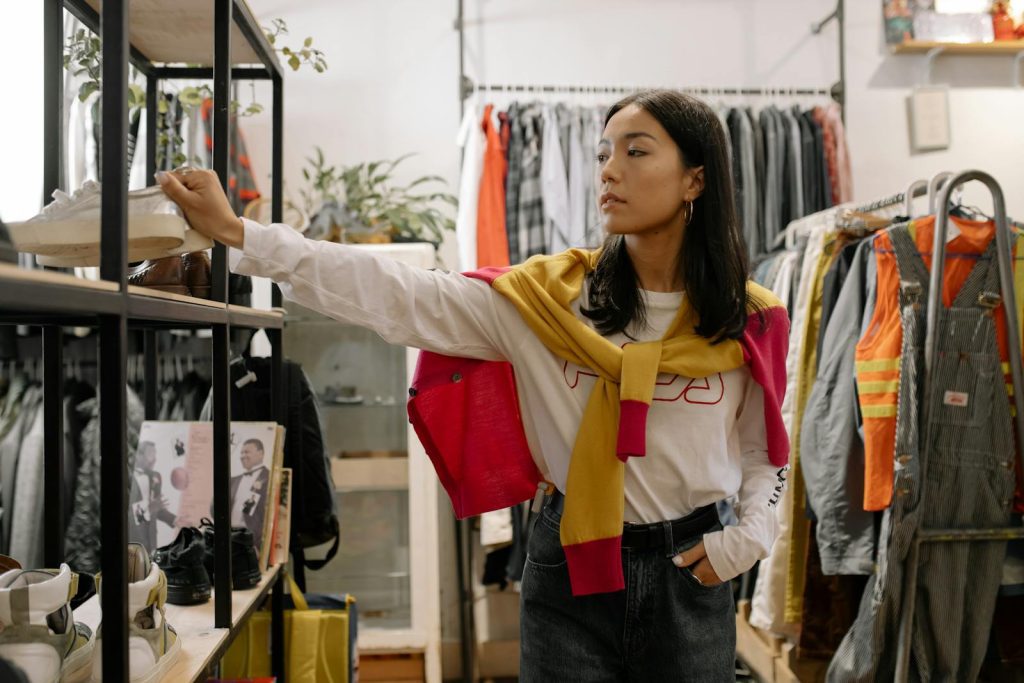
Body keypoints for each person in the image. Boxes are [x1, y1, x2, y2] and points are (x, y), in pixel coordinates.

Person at [158, 89, 789, 682]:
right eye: (603, 153)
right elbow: (399, 292)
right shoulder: (548, 302)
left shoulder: (751, 320)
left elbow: (764, 452)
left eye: (636, 151)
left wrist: (747, 541)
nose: (608, 171)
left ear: (696, 179)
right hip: (569, 565)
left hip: (691, 569)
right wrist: (244, 236)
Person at [128, 440, 176, 550]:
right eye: (150, 454)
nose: (154, 459)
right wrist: (148, 509)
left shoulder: (156, 477)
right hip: (132, 538)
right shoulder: (126, 476)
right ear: (138, 455)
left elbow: (157, 510)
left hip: (151, 538)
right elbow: (127, 513)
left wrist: (175, 520)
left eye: (155, 454)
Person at [229, 438, 270, 542]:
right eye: (241, 453)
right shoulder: (233, 480)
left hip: (254, 541)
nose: (242, 456)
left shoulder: (270, 477)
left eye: (247, 452)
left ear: (260, 453)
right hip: (230, 538)